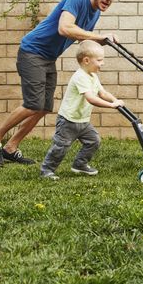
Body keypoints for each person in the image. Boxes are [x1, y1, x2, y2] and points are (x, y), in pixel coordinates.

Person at [0, 0, 120, 167]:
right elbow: (65, 28)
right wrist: (99, 36)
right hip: (32, 51)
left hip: (48, 58)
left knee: (44, 107)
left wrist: (103, 42)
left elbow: (82, 39)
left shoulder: (95, 13)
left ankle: (11, 147)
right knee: (33, 104)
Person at [40, 40, 124, 180]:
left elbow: (102, 93)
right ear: (86, 60)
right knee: (61, 146)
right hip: (68, 120)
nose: (102, 63)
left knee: (94, 141)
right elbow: (91, 98)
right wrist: (110, 106)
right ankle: (47, 170)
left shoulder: (93, 76)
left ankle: (79, 164)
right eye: (99, 60)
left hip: (83, 121)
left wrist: (115, 100)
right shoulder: (80, 77)